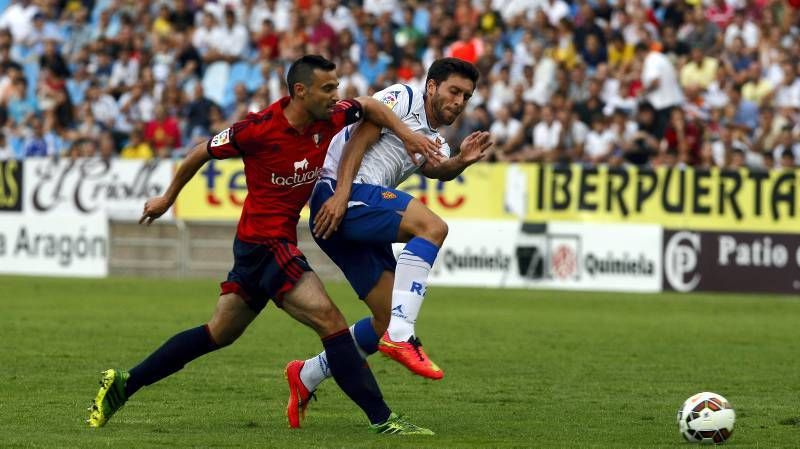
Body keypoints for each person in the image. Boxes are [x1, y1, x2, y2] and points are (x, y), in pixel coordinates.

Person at [86, 55, 442, 435]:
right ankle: (383, 419)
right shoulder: (257, 129)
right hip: (265, 244)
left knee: (218, 332)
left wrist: (406, 134)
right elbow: (201, 151)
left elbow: (369, 105)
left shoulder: (331, 117)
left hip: (260, 246)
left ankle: (125, 383)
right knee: (331, 322)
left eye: (336, 87)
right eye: (327, 88)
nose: (335, 95)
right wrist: (167, 198)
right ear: (300, 91)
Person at [284, 58, 491, 428]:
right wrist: (342, 194)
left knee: (382, 319)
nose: (460, 101)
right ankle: (402, 334)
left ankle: (307, 374)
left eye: (467, 96)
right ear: (431, 87)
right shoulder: (403, 96)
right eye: (454, 91)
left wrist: (460, 160)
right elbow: (360, 137)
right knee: (432, 227)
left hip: (353, 207)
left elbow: (435, 169)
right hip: (343, 196)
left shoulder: (435, 136)